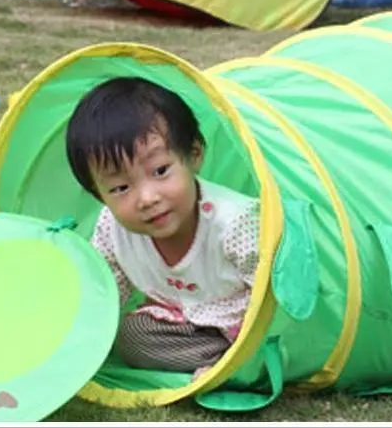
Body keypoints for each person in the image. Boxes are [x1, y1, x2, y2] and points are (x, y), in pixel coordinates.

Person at [66, 78, 259, 379]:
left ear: (193, 155)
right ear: (98, 195)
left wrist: (251, 344)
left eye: (160, 171)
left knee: (269, 339)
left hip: (249, 324)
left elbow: (277, 297)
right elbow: (101, 297)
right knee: (130, 336)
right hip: (183, 327)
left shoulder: (235, 221)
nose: (147, 198)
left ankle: (241, 365)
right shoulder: (112, 229)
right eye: (119, 187)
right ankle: (221, 363)